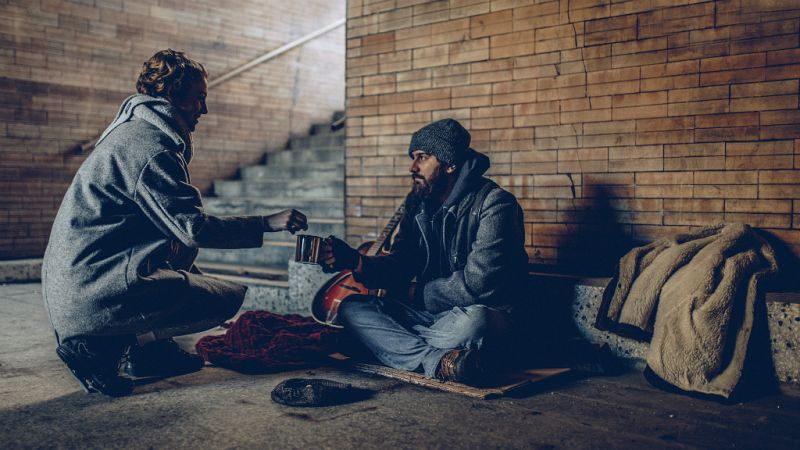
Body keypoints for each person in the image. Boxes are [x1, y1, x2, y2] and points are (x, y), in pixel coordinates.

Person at [42, 49, 308, 397]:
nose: (205, 109)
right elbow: (193, 228)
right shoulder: (151, 148)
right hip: (88, 294)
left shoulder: (132, 131)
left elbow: (175, 233)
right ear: (171, 95)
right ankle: (100, 348)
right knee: (221, 298)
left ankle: (149, 352)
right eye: (199, 99)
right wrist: (265, 223)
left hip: (77, 283)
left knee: (175, 246)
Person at [321, 118, 528, 386]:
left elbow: (479, 285)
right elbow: (401, 265)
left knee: (475, 324)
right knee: (352, 308)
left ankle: (391, 346)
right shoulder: (419, 204)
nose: (412, 167)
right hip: (431, 317)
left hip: (483, 313)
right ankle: (441, 362)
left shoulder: (495, 204)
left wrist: (415, 294)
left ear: (449, 163)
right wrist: (355, 261)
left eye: (422, 157)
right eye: (413, 158)